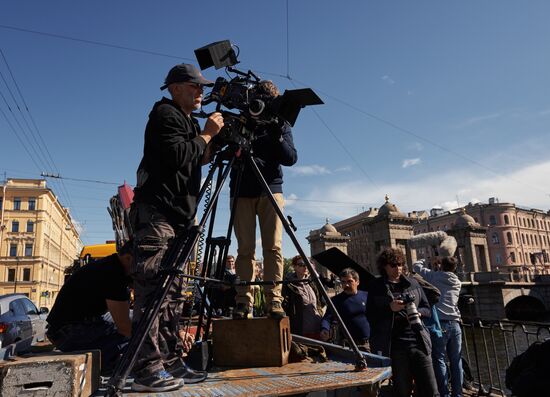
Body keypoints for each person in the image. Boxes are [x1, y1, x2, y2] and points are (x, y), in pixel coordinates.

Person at [130, 63, 224, 392]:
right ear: (174, 88)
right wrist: (208, 133)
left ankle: (168, 361)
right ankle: (145, 370)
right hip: (157, 216)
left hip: (176, 219)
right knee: (154, 291)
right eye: (194, 86)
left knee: (171, 295)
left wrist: (213, 140)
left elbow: (196, 158)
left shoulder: (185, 121)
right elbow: (177, 155)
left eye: (201, 87)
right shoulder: (165, 114)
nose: (201, 91)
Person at [230, 80, 298, 319]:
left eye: (266, 101)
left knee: (273, 247)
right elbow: (226, 151)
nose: (260, 105)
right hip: (241, 189)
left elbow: (291, 158)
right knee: (245, 249)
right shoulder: (241, 120)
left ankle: (274, 301)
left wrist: (276, 133)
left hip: (271, 188)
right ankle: (243, 302)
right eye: (256, 99)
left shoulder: (280, 123)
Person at [46, 241, 133, 375]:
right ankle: (108, 363)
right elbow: (124, 327)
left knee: (134, 320)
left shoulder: (108, 265)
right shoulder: (113, 273)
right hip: (69, 333)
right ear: (128, 257)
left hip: (64, 331)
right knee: (139, 329)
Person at [367, 248, 439, 397]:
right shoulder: (377, 287)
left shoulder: (412, 283)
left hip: (419, 342)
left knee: (431, 389)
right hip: (395, 346)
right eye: (393, 265)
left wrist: (418, 313)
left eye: (400, 264)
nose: (398, 268)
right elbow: (370, 316)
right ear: (384, 266)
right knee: (403, 390)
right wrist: (390, 308)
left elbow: (427, 309)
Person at [414, 256, 463, 397]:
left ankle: (444, 393)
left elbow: (416, 266)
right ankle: (458, 394)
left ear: (441, 265)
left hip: (440, 324)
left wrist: (427, 259)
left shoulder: (434, 276)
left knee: (439, 359)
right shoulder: (458, 282)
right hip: (456, 324)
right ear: (455, 268)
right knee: (456, 360)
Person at [320, 268, 370, 351]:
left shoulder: (367, 296)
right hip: (348, 345)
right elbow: (327, 318)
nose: (346, 285)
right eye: (343, 282)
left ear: (357, 282)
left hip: (368, 344)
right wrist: (324, 329)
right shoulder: (336, 300)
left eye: (349, 281)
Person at [282, 255, 324, 338]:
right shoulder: (288, 285)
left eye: (307, 264)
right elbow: (285, 308)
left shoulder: (312, 283)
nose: (305, 267)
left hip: (318, 329)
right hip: (301, 331)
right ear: (294, 267)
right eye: (301, 265)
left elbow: (320, 303)